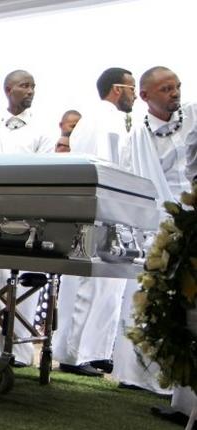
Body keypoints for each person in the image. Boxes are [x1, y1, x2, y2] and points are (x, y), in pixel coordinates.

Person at [118, 67, 196, 416]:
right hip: (163, 227)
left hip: (193, 221)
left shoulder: (193, 117)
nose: (174, 93)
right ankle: (165, 388)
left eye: (177, 87)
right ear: (146, 96)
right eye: (166, 89)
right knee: (167, 307)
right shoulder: (135, 136)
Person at [0, 70, 54, 367]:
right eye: (25, 85)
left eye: (33, 86)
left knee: (21, 285)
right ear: (8, 89)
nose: (31, 91)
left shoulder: (43, 130)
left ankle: (18, 350)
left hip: (24, 218)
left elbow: (45, 172)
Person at [53, 68, 136, 377]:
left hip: (109, 213)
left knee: (108, 284)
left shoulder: (109, 119)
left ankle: (96, 349)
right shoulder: (103, 120)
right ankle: (73, 354)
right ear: (116, 89)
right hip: (97, 214)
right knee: (87, 283)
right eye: (131, 87)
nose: (135, 93)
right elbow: (109, 168)